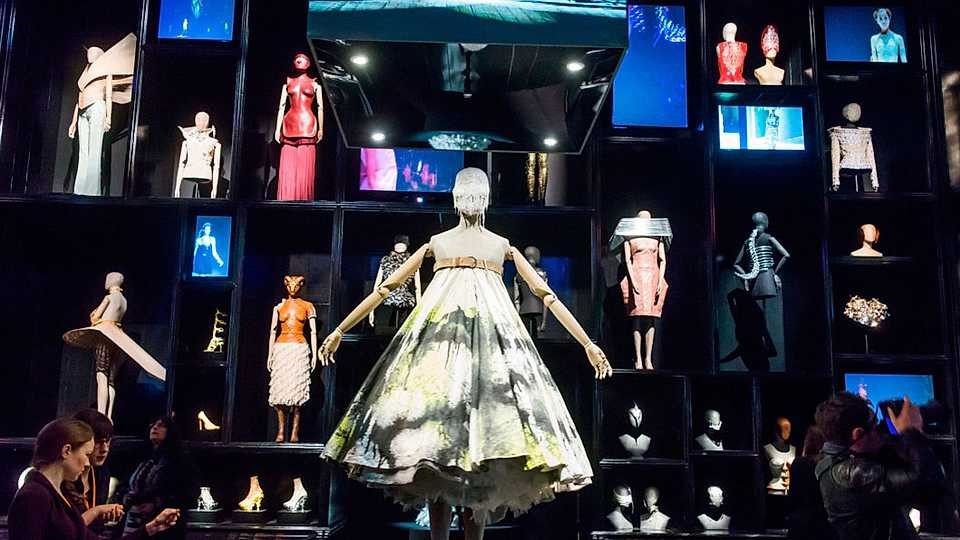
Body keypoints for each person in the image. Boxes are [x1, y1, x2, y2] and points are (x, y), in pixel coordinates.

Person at [319, 168, 612, 540]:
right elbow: (388, 287)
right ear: (458, 197)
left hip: (489, 350)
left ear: (483, 198)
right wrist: (339, 329)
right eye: (467, 193)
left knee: (481, 456)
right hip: (441, 347)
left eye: (477, 193)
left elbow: (545, 294)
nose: (472, 199)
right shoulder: (438, 243)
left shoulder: (500, 245)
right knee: (435, 452)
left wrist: (588, 343)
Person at [8, 418, 179, 540]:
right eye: (86, 454)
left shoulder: (54, 494)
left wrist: (151, 528)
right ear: (66, 451)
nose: (87, 463)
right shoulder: (34, 495)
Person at [814, 393, 946, 540]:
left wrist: (899, 428)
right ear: (858, 434)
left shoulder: (834, 460)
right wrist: (911, 432)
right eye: (874, 425)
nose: (879, 430)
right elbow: (928, 482)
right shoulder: (848, 474)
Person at [120, 416, 194, 539]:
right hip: (133, 518)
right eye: (153, 425)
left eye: (161, 425)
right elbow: (127, 483)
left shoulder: (179, 460)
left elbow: (186, 494)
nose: (155, 428)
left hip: (163, 524)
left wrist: (156, 504)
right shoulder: (143, 457)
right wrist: (126, 497)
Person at [62, 409, 116, 535]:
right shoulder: (60, 477)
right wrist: (95, 512)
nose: (105, 449)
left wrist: (103, 515)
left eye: (108, 441)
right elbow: (62, 530)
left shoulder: (102, 472)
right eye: (98, 441)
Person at [786, 426, 835, 540]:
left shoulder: (799, 463)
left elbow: (793, 497)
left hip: (800, 524)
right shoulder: (829, 464)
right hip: (824, 523)